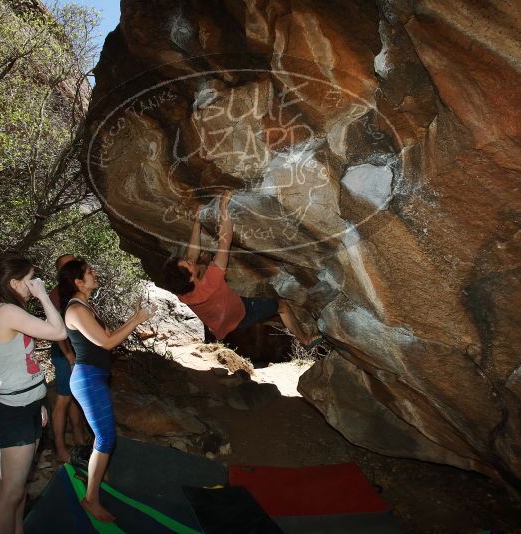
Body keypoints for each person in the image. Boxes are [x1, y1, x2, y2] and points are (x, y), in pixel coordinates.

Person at [58, 259, 156, 522]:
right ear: (79, 282)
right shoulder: (76, 310)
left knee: (102, 436)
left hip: (95, 377)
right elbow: (108, 342)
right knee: (105, 439)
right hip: (87, 379)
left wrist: (135, 318)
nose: (94, 274)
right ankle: (91, 499)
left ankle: (95, 472)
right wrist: (136, 321)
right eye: (89, 272)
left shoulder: (86, 306)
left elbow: (108, 335)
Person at [0, 256, 67, 534]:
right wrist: (43, 296)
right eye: (31, 279)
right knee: (9, 496)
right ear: (14, 282)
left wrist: (37, 402)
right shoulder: (5, 312)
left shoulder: (7, 311)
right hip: (13, 411)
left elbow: (23, 365)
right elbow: (59, 331)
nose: (35, 284)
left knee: (18, 494)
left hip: (25, 405)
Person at [163, 192, 323, 349]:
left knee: (203, 260)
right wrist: (223, 207)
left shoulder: (181, 290)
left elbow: (191, 256)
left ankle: (206, 260)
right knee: (282, 306)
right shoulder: (211, 282)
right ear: (191, 278)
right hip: (241, 314)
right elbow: (225, 241)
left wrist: (197, 222)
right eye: (188, 265)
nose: (189, 261)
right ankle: (305, 340)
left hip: (219, 322)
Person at [48, 254, 87, 463]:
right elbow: (57, 328)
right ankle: (61, 448)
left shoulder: (75, 292)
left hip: (75, 353)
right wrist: (69, 355)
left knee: (73, 396)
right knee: (63, 399)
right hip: (64, 354)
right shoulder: (57, 294)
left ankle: (79, 439)